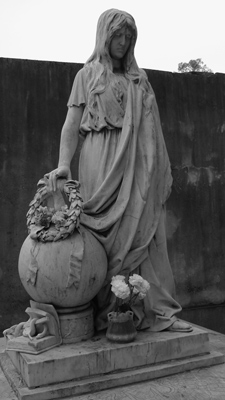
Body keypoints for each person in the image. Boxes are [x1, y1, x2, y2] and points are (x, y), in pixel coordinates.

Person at [46, 9, 192, 332]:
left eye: (129, 37)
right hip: (99, 159)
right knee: (102, 237)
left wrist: (152, 168)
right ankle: (107, 313)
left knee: (147, 232)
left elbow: (152, 131)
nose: (124, 42)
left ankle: (158, 311)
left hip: (136, 163)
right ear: (104, 36)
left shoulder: (139, 81)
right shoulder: (86, 76)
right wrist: (63, 164)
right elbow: (72, 125)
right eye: (118, 35)